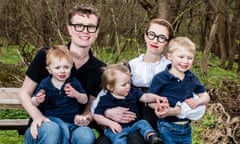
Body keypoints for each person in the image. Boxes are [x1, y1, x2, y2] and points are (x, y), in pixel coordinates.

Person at [19, 3, 106, 144]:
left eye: (91, 27)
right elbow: (24, 93)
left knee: (86, 135)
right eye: (79, 25)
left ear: (96, 32)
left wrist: (85, 117)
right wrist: (37, 117)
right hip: (45, 125)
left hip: (73, 125)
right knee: (51, 130)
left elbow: (90, 105)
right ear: (69, 29)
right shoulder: (46, 55)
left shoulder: (100, 69)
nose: (85, 31)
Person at [150, 36, 210, 144]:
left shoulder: (192, 78)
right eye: (181, 57)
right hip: (166, 127)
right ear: (170, 56)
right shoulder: (160, 78)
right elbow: (150, 100)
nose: (185, 61)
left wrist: (198, 101)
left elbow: (206, 96)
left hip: (186, 128)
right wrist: (159, 107)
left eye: (189, 58)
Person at [94, 62, 166, 144]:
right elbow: (97, 116)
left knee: (143, 123)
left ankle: (152, 137)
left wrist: (156, 97)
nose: (128, 86)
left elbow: (145, 97)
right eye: (124, 85)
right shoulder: (105, 99)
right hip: (117, 128)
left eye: (129, 82)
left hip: (134, 125)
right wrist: (110, 123)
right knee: (118, 139)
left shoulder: (132, 92)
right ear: (110, 87)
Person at [31, 45, 88, 144]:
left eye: (66, 67)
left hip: (72, 121)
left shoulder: (73, 82)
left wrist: (76, 94)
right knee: (56, 129)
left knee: (86, 135)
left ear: (71, 67)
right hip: (53, 120)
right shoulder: (45, 83)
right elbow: (33, 101)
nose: (62, 71)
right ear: (49, 69)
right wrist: (37, 99)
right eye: (57, 68)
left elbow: (85, 99)